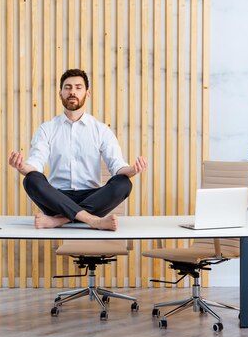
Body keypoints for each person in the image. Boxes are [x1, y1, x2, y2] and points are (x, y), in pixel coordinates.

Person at [8, 68, 147, 231]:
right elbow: (36, 163)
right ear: (60, 93)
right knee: (31, 179)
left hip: (93, 198)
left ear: (87, 93)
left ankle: (58, 221)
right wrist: (22, 167)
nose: (72, 92)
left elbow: (117, 165)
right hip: (57, 198)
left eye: (78, 87)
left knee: (123, 183)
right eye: (67, 88)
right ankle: (92, 221)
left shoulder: (101, 130)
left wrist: (132, 169)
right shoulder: (47, 129)